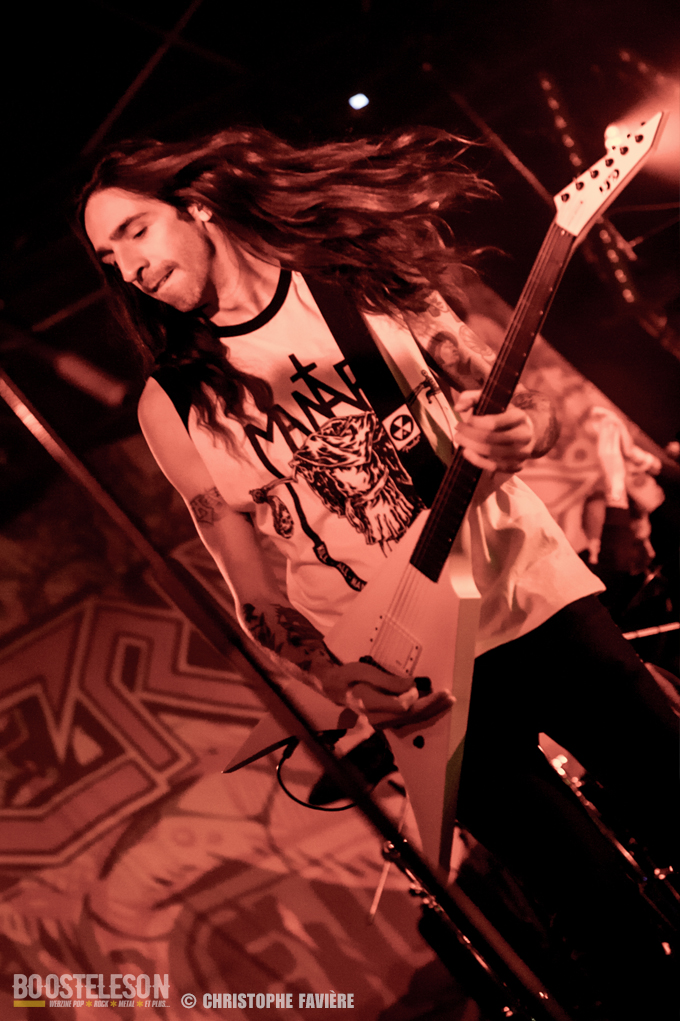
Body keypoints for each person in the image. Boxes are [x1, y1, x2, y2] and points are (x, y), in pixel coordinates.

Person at [78, 127, 677, 1018]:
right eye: (107, 258)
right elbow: (250, 586)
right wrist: (338, 678)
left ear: (195, 207)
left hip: (532, 600)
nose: (127, 266)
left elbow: (524, 405)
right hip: (414, 682)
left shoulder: (362, 284)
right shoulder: (175, 404)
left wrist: (524, 431)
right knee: (598, 921)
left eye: (134, 231)